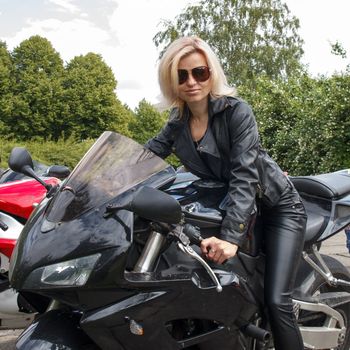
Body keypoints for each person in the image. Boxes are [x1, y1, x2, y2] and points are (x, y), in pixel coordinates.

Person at [145, 36, 307, 350]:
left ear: (211, 73)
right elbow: (144, 159)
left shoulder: (236, 112)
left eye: (199, 72)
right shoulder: (178, 122)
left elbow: (244, 177)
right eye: (181, 75)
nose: (191, 82)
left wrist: (231, 238)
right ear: (171, 81)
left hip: (276, 208)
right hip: (233, 208)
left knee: (276, 300)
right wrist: (92, 186)